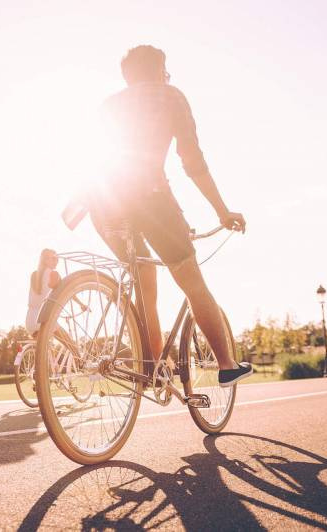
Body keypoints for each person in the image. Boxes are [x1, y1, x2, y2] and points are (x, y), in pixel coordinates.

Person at [88, 45, 251, 387]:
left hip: (103, 203)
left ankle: (149, 369)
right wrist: (222, 212)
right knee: (190, 280)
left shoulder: (109, 105)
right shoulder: (170, 96)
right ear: (160, 70)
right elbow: (192, 161)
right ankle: (226, 365)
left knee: (144, 279)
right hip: (150, 199)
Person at [25, 249, 61, 336]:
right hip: (44, 318)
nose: (56, 261)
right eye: (53, 258)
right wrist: (81, 304)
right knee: (69, 342)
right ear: (45, 260)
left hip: (30, 320)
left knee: (43, 348)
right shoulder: (54, 274)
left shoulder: (34, 275)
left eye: (57, 259)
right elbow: (68, 289)